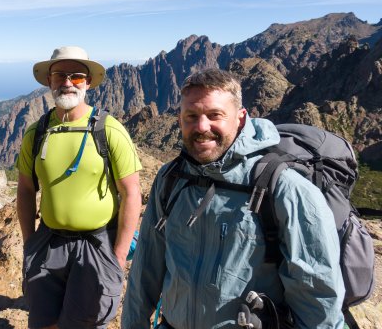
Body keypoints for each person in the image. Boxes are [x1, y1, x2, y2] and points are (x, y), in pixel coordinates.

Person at [122, 68, 345, 328]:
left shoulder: (284, 188)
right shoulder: (171, 179)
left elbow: (317, 298)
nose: (202, 126)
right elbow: (145, 269)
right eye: (191, 116)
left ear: (240, 119)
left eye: (215, 115)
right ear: (180, 120)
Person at [16, 46, 142, 329]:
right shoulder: (36, 133)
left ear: (87, 83)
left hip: (96, 245)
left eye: (76, 76)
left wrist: (119, 256)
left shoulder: (109, 130)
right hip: (48, 242)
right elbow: (25, 189)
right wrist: (29, 242)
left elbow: (132, 193)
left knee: (83, 324)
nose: (68, 82)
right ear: (49, 81)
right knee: (42, 322)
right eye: (60, 75)